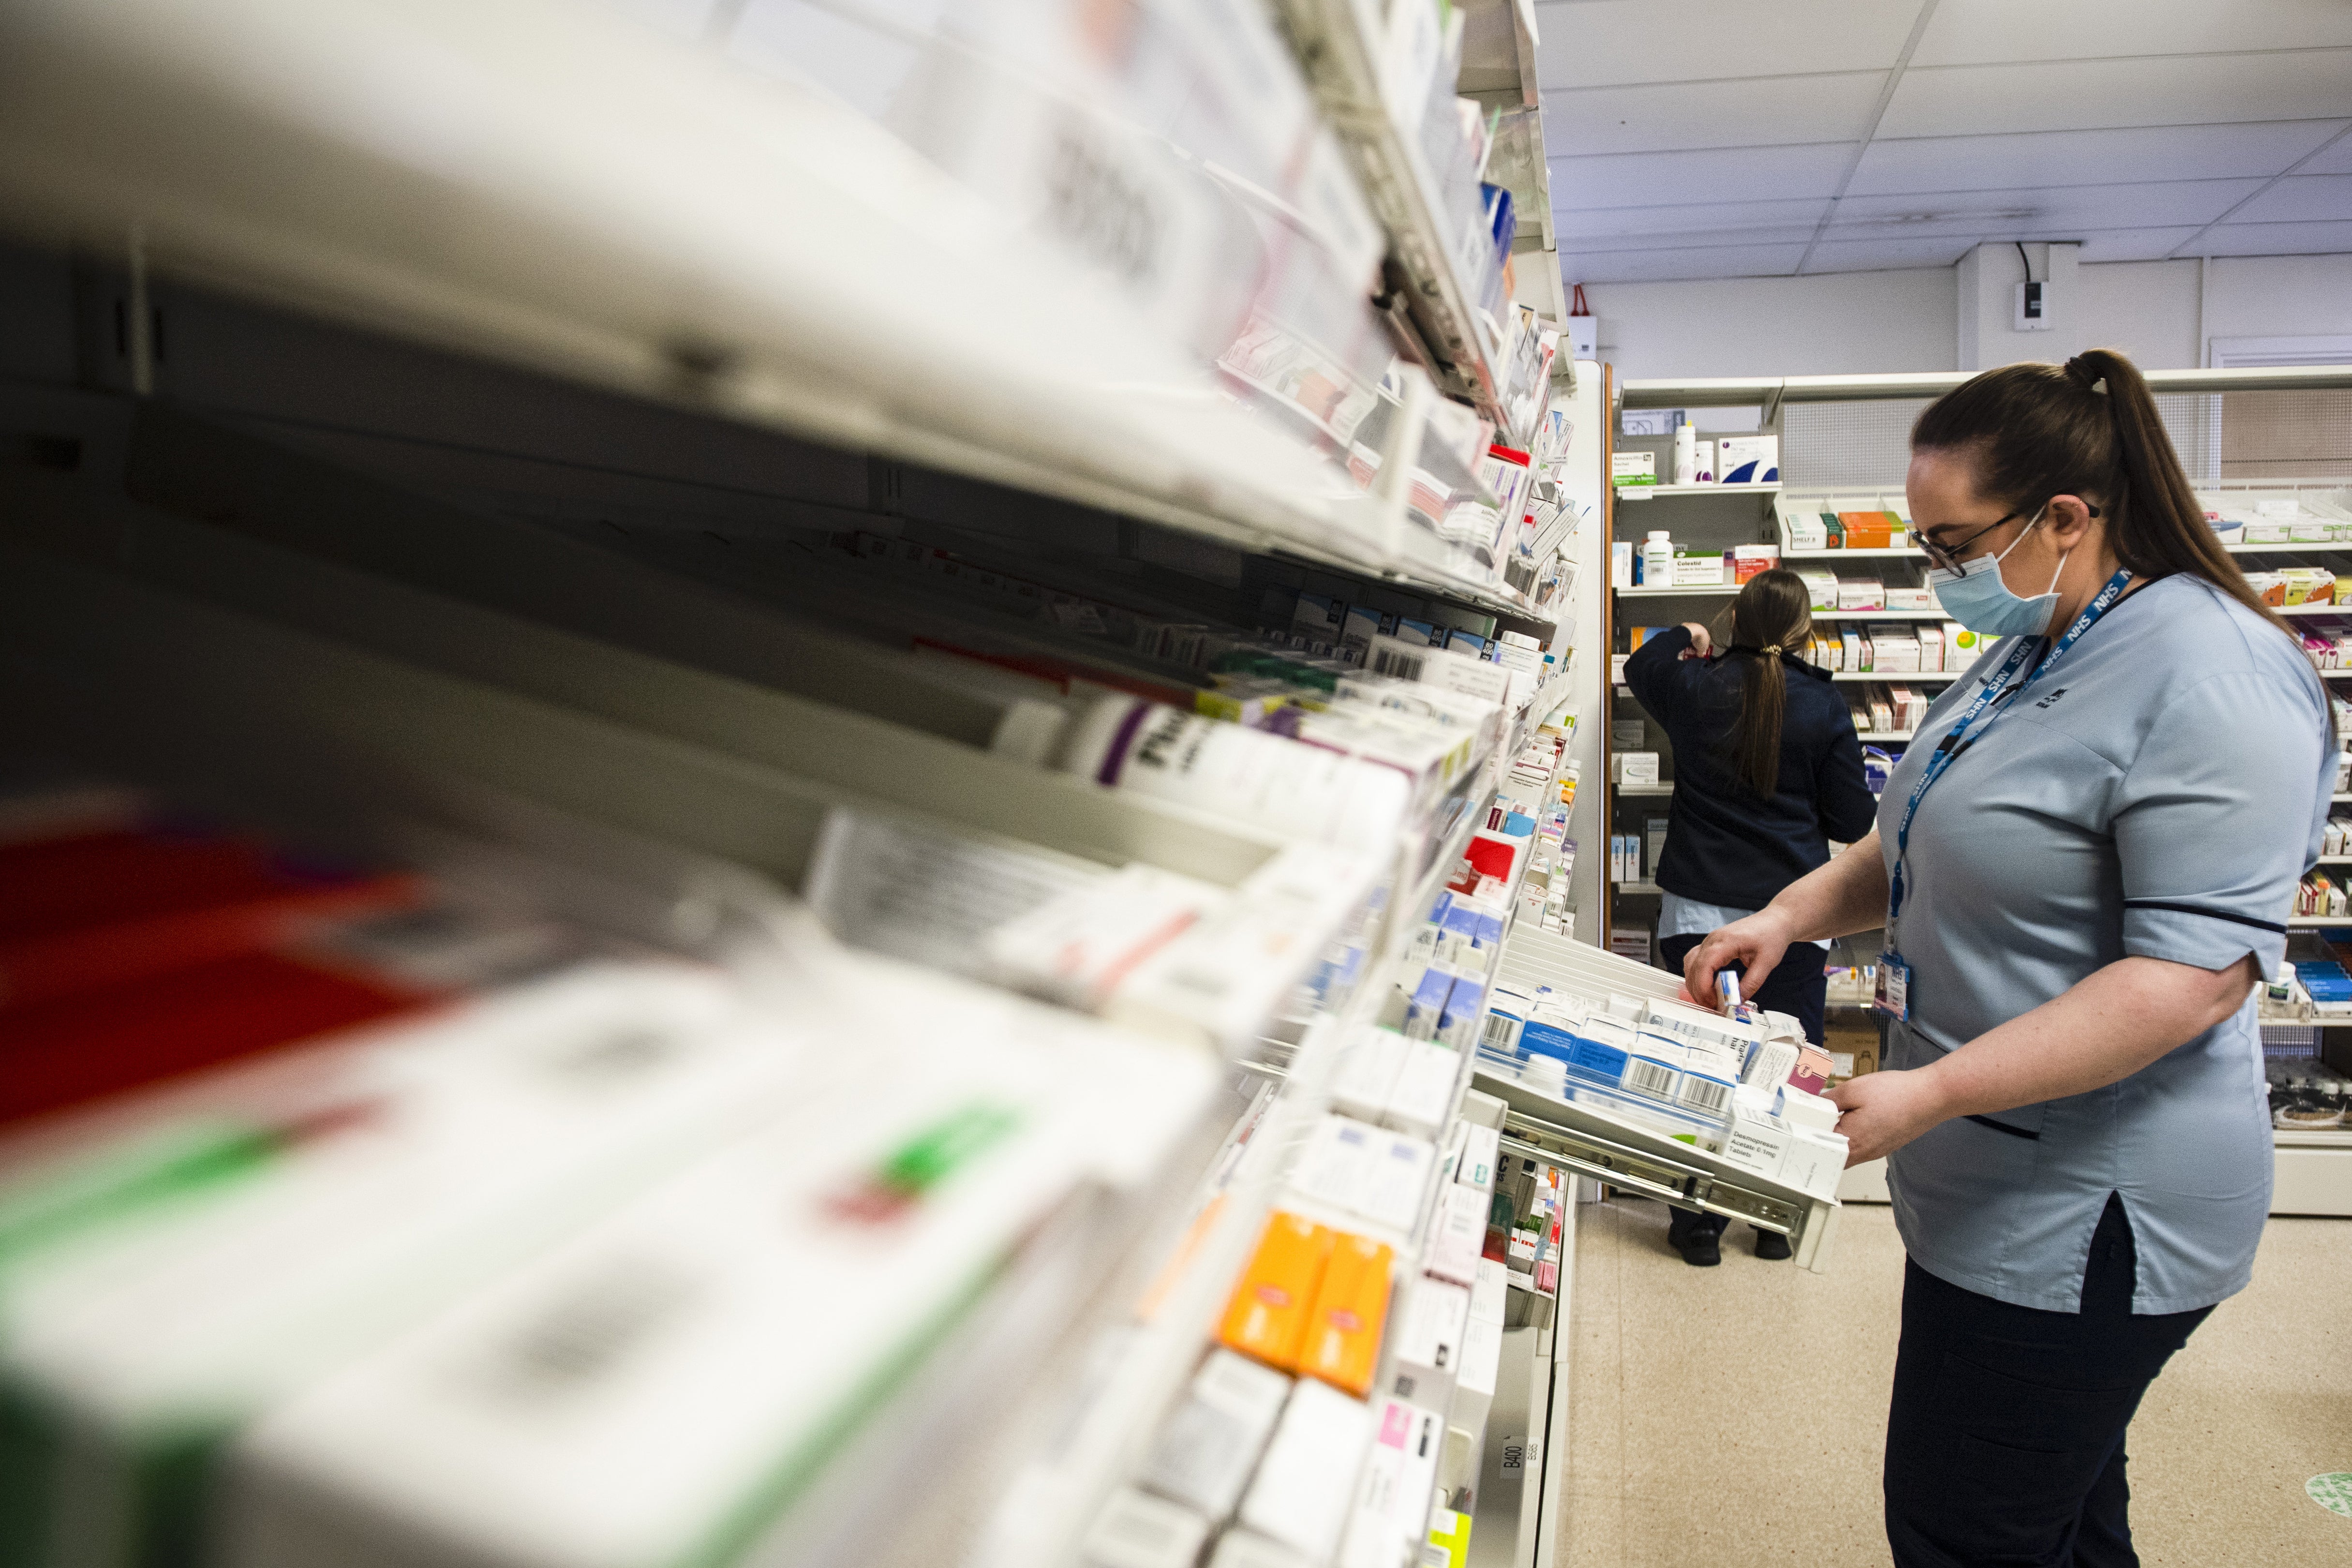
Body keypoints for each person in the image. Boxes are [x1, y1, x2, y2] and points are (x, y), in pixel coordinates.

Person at [1682, 348, 2331, 1567]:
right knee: (2065, 1516)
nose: (1941, 575)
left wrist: (1931, 1089)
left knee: (1966, 1530)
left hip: (2092, 1206)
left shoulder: (2215, 675)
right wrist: (1784, 918)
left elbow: (2189, 978)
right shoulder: (2035, 644)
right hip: (1992, 1172)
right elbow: (1911, 837)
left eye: (1949, 545)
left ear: (2065, 518)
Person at [1621, 566, 1877, 1266]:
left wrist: (1690, 634)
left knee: (1698, 1062)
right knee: (1789, 1063)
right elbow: (1854, 818)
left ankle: (1695, 1220)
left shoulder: (1695, 685)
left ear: (1736, 618)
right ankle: (1770, 1217)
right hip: (1790, 918)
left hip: (1696, 911)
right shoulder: (1822, 705)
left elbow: (1642, 662)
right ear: (1803, 632)